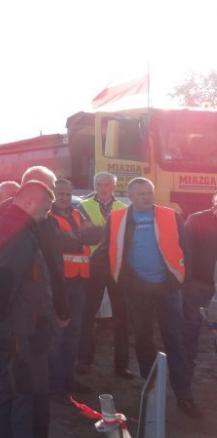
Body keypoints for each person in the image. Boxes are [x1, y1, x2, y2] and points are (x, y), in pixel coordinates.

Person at [92, 177, 202, 419]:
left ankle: (184, 394)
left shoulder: (170, 215)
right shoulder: (118, 218)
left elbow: (186, 249)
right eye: (141, 193)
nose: (146, 197)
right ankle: (151, 387)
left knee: (175, 339)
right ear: (130, 196)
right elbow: (107, 248)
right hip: (136, 287)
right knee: (143, 339)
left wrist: (183, 278)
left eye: (149, 192)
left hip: (168, 286)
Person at [0, 181, 57, 438]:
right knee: (24, 395)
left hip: (14, 328)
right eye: (45, 209)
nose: (46, 216)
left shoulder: (5, 226)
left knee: (7, 391)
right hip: (22, 331)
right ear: (29, 203)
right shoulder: (19, 234)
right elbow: (6, 280)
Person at [47, 178, 98, 403]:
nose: (64, 198)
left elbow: (95, 235)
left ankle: (68, 381)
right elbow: (57, 242)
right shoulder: (47, 217)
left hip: (79, 280)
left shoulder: (78, 213)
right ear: (52, 193)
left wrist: (74, 238)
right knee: (57, 335)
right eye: (60, 193)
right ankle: (55, 384)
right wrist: (79, 237)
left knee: (73, 334)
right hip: (60, 282)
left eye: (68, 194)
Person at [77, 172, 132, 379]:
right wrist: (109, 232)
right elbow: (85, 234)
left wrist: (98, 230)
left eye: (107, 183)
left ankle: (122, 365)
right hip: (93, 265)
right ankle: (84, 360)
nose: (103, 187)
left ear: (114, 186)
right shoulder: (83, 205)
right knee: (87, 314)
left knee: (122, 316)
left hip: (117, 265)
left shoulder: (123, 207)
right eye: (99, 184)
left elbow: (125, 235)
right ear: (94, 185)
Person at [183, 192, 217, 378]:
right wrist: (187, 279)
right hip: (198, 284)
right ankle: (186, 367)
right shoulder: (196, 221)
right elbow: (185, 250)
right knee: (191, 325)